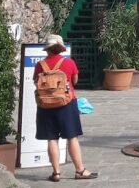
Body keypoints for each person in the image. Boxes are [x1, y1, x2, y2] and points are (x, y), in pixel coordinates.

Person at [34, 35, 97, 182]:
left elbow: (36, 82)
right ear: (61, 48)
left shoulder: (40, 65)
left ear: (47, 49)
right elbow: (74, 81)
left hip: (45, 105)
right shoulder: (69, 63)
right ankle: (80, 170)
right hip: (67, 103)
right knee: (72, 137)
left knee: (51, 139)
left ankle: (56, 173)